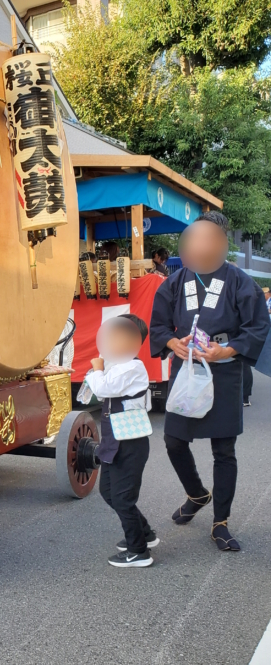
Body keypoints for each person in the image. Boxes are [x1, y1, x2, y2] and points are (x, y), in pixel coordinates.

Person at [150, 212, 270, 551]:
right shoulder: (174, 282)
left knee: (224, 450)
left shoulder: (239, 280)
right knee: (174, 440)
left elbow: (257, 326)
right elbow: (158, 326)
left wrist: (227, 350)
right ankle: (197, 493)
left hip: (224, 369)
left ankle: (221, 522)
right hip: (186, 368)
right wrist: (173, 343)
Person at [82, 314, 155, 568]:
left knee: (123, 498)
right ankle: (144, 533)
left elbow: (103, 389)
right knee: (108, 492)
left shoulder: (133, 367)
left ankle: (139, 551)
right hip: (114, 439)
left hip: (130, 442)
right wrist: (100, 368)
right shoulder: (118, 364)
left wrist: (98, 368)